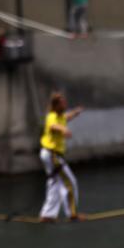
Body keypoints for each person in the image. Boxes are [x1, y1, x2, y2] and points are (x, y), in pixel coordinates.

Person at [39, 92, 84, 222]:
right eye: (62, 103)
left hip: (49, 154)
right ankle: (72, 214)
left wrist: (76, 112)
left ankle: (47, 215)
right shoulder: (52, 116)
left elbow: (66, 117)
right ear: (56, 105)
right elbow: (54, 125)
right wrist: (63, 130)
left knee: (55, 183)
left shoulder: (60, 116)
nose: (65, 104)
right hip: (52, 154)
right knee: (70, 182)